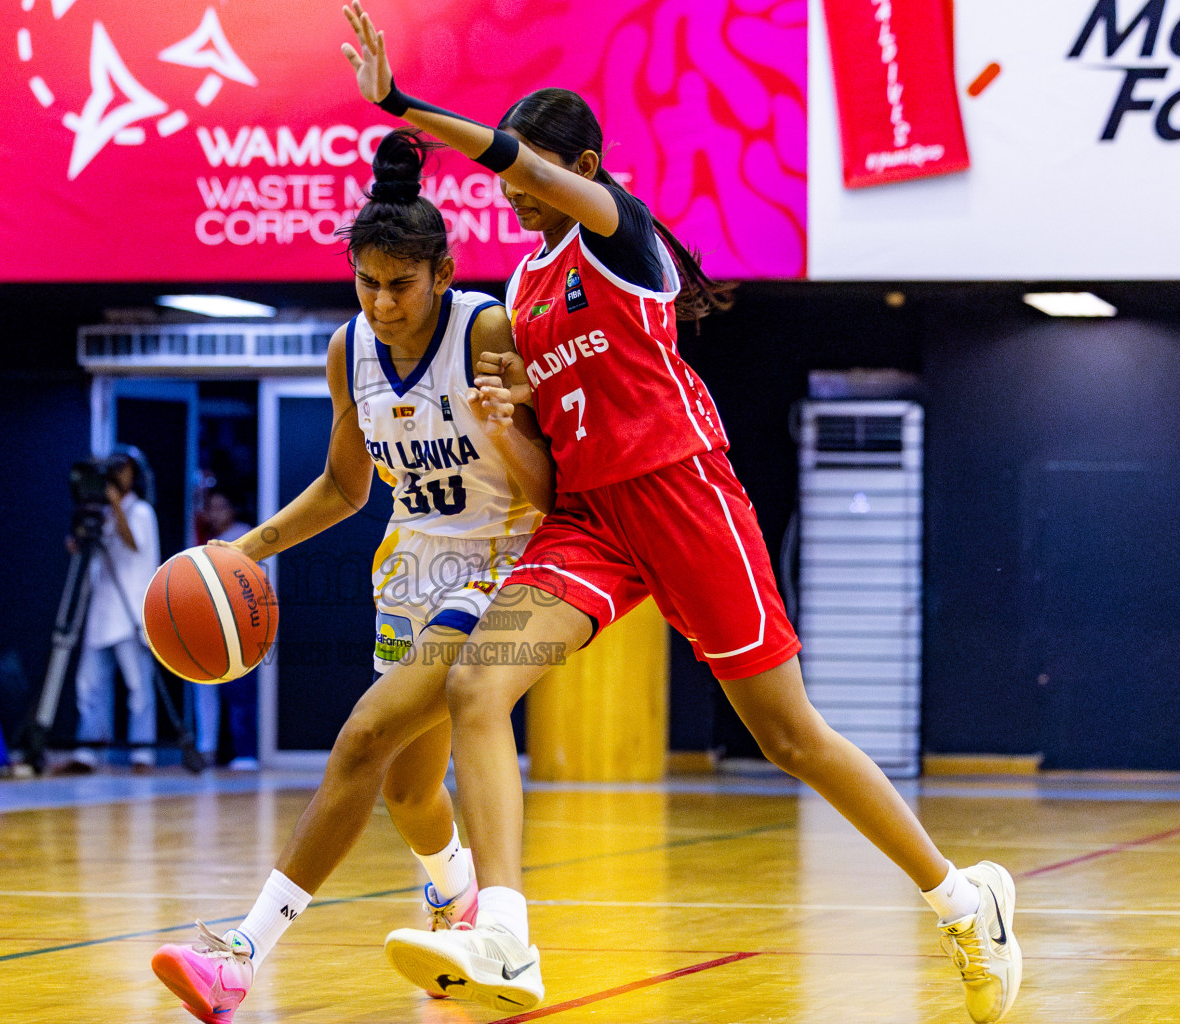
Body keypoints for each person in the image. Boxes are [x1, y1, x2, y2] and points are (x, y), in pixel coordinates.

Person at [341, 7, 1023, 1022]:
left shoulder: (623, 235)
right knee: (480, 686)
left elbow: (508, 152)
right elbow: (543, 468)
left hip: (686, 499)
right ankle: (507, 937)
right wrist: (506, 422)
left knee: (790, 737)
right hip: (589, 522)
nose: (516, 194)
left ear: (582, 166)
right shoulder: (522, 289)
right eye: (510, 184)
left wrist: (400, 105)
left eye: (532, 173)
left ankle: (964, 901)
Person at [149, 128, 554, 1024]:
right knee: (410, 795)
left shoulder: (487, 325)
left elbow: (549, 478)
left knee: (361, 740)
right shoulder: (350, 350)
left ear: (442, 273)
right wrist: (246, 552)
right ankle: (456, 903)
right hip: (410, 565)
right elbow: (344, 486)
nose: (381, 302)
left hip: (502, 558)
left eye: (399, 284)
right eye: (365, 282)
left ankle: (241, 956)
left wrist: (510, 423)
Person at [61, 452, 161, 774]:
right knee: (88, 684)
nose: (117, 475)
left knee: (138, 687)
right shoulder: (101, 513)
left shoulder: (142, 512)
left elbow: (133, 543)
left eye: (123, 469)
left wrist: (116, 503)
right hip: (102, 610)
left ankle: (142, 754)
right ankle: (89, 751)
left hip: (131, 609)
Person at [191, 489, 259, 769]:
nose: (215, 513)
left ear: (233, 509)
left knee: (240, 694)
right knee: (206, 693)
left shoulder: (244, 534)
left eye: (221, 507)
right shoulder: (203, 539)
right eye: (211, 507)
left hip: (239, 627)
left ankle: (245, 752)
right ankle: (207, 751)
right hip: (208, 626)